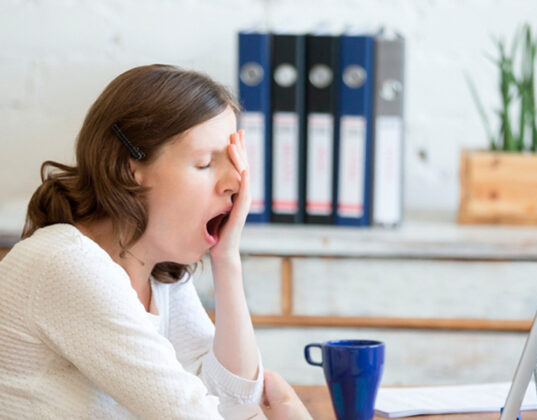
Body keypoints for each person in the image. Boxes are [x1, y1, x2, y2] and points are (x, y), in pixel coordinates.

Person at [0, 64, 310, 420]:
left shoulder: (158, 275)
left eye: (233, 162)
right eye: (205, 163)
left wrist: (227, 259)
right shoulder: (67, 265)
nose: (235, 183)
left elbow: (233, 404)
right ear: (129, 168)